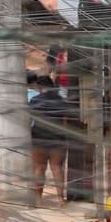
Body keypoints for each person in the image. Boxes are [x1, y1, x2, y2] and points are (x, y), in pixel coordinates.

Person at [28, 76, 71, 207]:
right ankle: (61, 199)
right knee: (57, 168)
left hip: (38, 137)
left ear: (39, 87)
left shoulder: (34, 101)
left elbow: (30, 120)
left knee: (39, 169)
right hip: (57, 137)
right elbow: (65, 121)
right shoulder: (60, 100)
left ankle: (38, 200)